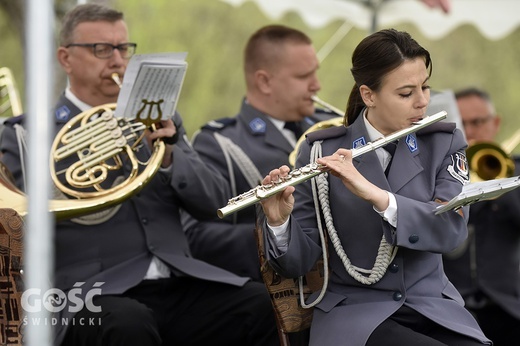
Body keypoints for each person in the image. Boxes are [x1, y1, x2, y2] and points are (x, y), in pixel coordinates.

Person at [0, 4, 279, 346]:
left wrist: (170, 156)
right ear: (65, 58)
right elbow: (16, 224)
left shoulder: (157, 117)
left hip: (178, 278)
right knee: (128, 324)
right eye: (101, 49)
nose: (117, 60)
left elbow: (216, 203)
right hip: (91, 292)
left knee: (255, 305)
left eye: (123, 48)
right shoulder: (26, 135)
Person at [257, 28, 492, 346]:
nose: (423, 102)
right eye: (406, 94)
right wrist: (279, 221)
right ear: (369, 95)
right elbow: (300, 264)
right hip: (355, 315)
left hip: (432, 308)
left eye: (425, 87)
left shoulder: (443, 142)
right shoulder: (319, 152)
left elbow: (451, 233)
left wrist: (379, 198)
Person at [183, 24, 337, 282]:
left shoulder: (331, 125)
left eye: (315, 73)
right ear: (264, 81)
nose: (316, 85)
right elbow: (196, 236)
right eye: (303, 76)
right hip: (279, 291)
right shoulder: (219, 142)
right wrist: (277, 233)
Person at [442, 87, 520, 346]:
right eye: (461, 124)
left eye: (477, 122)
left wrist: (500, 186)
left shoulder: (514, 171)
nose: (470, 131)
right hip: (454, 309)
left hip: (509, 308)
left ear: (495, 123)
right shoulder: (439, 176)